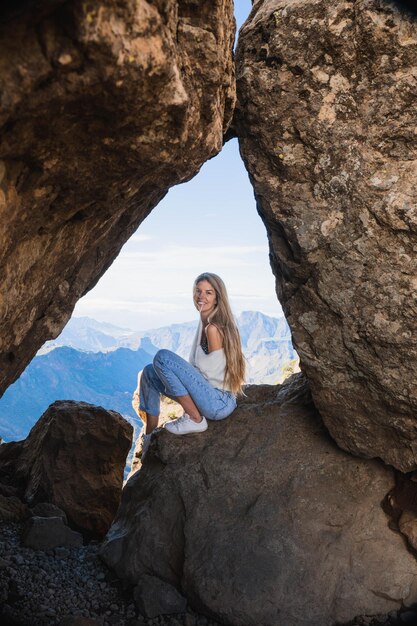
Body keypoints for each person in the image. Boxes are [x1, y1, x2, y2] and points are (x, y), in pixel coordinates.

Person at [135, 272, 246, 460]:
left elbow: (209, 374)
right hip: (207, 394)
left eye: (209, 293)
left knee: (162, 358)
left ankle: (194, 418)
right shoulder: (203, 322)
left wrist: (178, 372)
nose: (201, 296)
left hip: (217, 401)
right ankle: (150, 437)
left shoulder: (213, 328)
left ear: (218, 298)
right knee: (149, 373)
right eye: (198, 291)